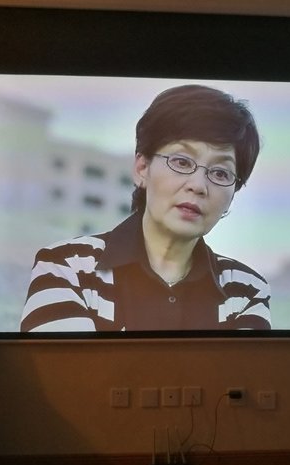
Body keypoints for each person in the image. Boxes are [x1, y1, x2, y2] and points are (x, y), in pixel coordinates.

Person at [20, 84, 271, 332]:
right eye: (182, 162)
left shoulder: (245, 291)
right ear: (142, 168)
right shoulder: (66, 267)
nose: (198, 186)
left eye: (220, 173)